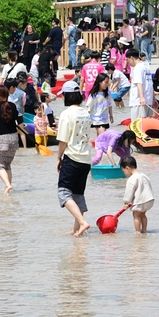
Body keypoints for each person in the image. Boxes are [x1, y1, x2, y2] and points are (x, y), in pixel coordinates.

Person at [56, 80, 92, 237]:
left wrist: (58, 158)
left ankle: (83, 223)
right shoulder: (85, 112)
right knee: (78, 194)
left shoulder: (66, 114)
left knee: (63, 192)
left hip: (72, 157)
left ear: (67, 96)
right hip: (85, 159)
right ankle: (76, 229)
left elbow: (63, 140)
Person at [120, 156, 155, 234]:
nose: (125, 174)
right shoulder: (144, 175)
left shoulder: (131, 179)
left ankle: (138, 232)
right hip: (149, 200)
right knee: (143, 214)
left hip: (140, 201)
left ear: (127, 168)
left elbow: (129, 192)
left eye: (124, 171)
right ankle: (144, 230)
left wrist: (126, 202)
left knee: (136, 215)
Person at [127, 49, 153, 120]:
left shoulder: (137, 68)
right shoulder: (146, 67)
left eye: (128, 60)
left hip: (139, 102)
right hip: (148, 100)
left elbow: (139, 83)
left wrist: (141, 97)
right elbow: (150, 84)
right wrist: (153, 98)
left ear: (132, 58)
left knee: (137, 125)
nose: (128, 62)